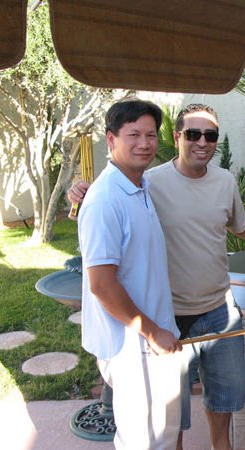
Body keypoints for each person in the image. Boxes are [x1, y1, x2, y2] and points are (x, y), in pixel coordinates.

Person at [69, 103, 245, 450]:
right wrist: (81, 192)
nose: (202, 142)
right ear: (178, 136)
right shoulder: (148, 182)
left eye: (210, 135)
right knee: (169, 413)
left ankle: (221, 447)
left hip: (219, 309)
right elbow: (107, 210)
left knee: (224, 396)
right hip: (169, 318)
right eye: (193, 134)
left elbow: (241, 225)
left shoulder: (221, 181)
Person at [78, 98, 182, 450]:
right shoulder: (105, 200)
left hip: (150, 341)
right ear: (111, 139)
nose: (144, 143)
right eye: (133, 135)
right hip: (132, 347)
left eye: (150, 135)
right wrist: (152, 332)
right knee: (143, 442)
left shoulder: (139, 186)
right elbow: (102, 284)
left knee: (162, 437)